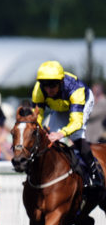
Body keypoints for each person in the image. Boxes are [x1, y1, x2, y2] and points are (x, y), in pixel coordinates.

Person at [32, 60, 104, 191]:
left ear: (60, 82)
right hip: (60, 107)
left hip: (81, 104)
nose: (48, 89)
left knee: (76, 135)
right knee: (48, 140)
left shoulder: (76, 89)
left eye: (52, 85)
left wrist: (61, 133)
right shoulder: (39, 89)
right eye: (44, 84)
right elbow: (37, 116)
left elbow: (76, 123)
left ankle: (95, 174)